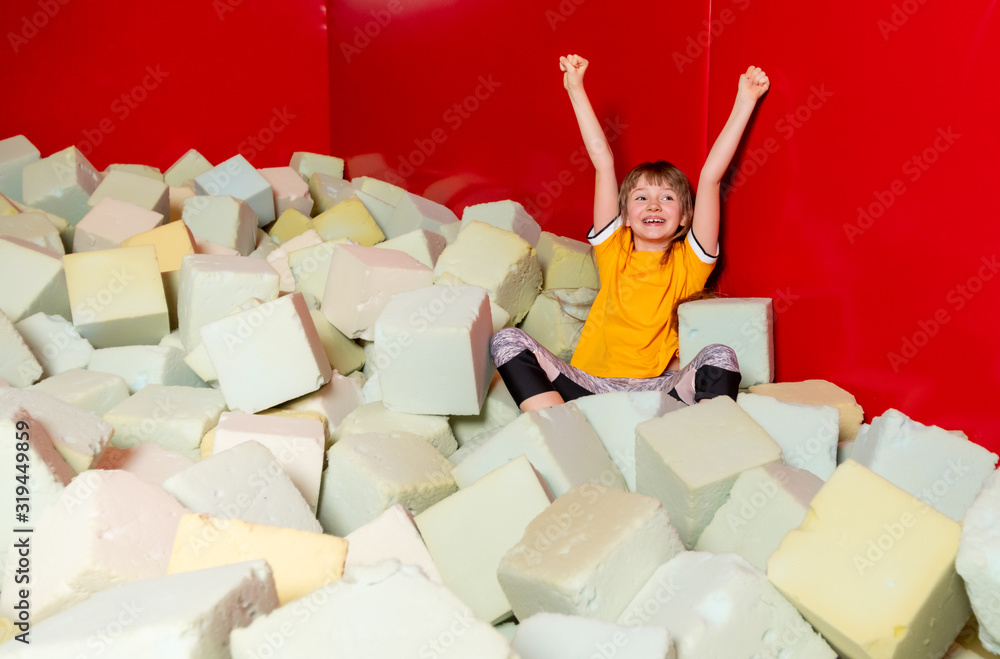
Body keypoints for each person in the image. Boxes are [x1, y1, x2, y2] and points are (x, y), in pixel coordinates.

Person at [491, 54, 770, 412]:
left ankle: (705, 442)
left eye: (667, 198)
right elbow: (601, 160)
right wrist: (576, 88)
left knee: (720, 355)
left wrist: (744, 100)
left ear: (685, 218)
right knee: (508, 340)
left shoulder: (690, 263)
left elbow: (711, 177)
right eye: (641, 198)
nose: (653, 205)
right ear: (624, 216)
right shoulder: (614, 248)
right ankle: (560, 434)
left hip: (657, 394)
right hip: (589, 388)